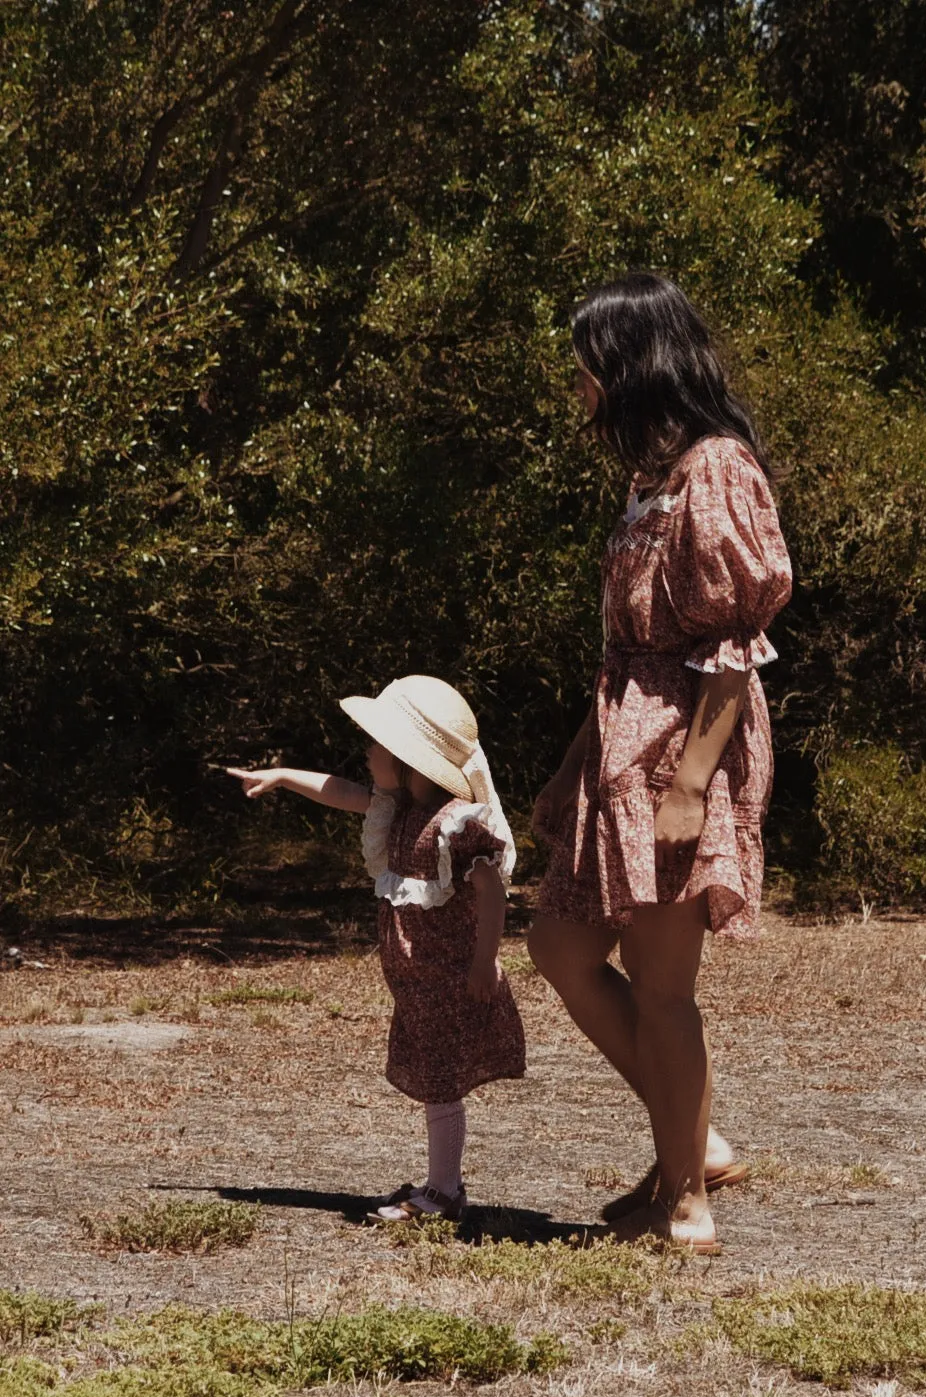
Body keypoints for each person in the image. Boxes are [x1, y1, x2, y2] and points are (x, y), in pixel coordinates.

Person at [527, 273, 792, 1255]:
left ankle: (688, 1203)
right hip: (621, 744)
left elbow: (731, 649)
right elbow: (623, 656)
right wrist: (573, 763)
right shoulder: (648, 476)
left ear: (631, 360)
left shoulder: (715, 468)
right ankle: (697, 1142)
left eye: (587, 359)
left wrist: (690, 788)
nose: (577, 379)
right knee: (560, 949)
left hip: (686, 749)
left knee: (663, 982)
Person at [227, 675, 525, 1222]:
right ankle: (443, 1187)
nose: (366, 751)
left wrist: (485, 961)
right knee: (436, 1080)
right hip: (417, 982)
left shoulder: (456, 823)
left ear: (410, 760)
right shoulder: (396, 809)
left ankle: (442, 1192)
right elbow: (340, 790)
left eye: (378, 744)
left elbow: (493, 892)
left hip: (450, 976)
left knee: (440, 1083)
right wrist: (283, 775)